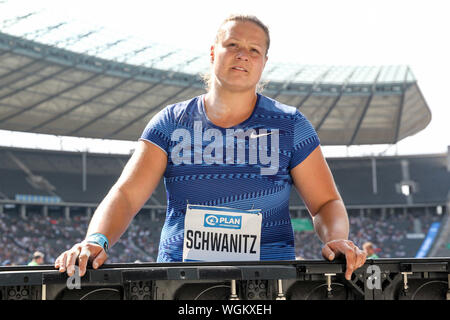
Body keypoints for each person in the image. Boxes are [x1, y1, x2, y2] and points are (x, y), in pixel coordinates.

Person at [55, 14, 367, 281]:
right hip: (180, 282)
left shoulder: (290, 124)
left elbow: (326, 202)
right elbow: (125, 195)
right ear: (213, 52)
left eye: (253, 49)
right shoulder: (170, 122)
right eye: (232, 45)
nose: (242, 55)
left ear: (264, 63)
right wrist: (95, 240)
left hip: (267, 281)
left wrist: (337, 239)